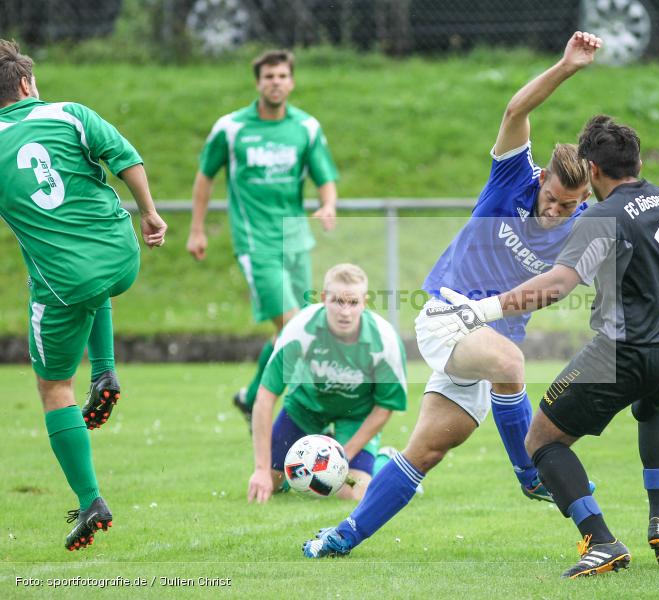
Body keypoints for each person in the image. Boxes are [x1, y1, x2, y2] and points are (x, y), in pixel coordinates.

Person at [425, 114, 659, 578]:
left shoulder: (601, 215)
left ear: (592, 170)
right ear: (638, 161)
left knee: (541, 438)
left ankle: (599, 541)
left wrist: (483, 311)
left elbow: (559, 284)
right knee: (656, 406)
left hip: (626, 352)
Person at [302, 31, 602, 559]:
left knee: (425, 451)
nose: (555, 209)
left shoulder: (580, 225)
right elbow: (516, 109)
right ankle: (529, 472)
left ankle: (341, 536)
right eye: (552, 197)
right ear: (542, 178)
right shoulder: (512, 176)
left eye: (570, 203)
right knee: (511, 361)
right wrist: (566, 66)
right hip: (445, 316)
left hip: (484, 343)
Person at [0, 39, 167, 550]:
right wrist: (150, 214)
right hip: (120, 256)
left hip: (65, 285)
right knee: (87, 274)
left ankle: (91, 498)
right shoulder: (70, 113)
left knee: (53, 389)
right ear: (27, 83)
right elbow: (126, 157)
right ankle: (106, 369)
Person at [186, 49, 339, 423]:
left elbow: (325, 178)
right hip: (256, 245)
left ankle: (253, 396)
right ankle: (306, 414)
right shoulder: (231, 128)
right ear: (258, 82)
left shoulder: (306, 128)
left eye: (282, 76)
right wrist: (197, 230)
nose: (276, 82)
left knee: (297, 326)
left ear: (292, 81)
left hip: (296, 241)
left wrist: (328, 205)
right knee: (295, 325)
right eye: (269, 76)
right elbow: (205, 176)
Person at [246, 264, 407, 503]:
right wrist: (260, 469)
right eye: (337, 301)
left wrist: (344, 455)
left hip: (356, 414)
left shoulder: (385, 340)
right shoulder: (300, 330)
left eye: (353, 303)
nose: (345, 312)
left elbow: (385, 406)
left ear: (364, 301)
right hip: (305, 408)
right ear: (323, 299)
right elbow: (265, 397)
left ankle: (386, 460)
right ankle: (315, 440)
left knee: (351, 492)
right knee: (273, 484)